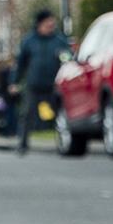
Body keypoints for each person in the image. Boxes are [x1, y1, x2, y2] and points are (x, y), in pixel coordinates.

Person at [14, 10, 70, 155]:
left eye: (52, 21)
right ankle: (23, 144)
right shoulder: (29, 41)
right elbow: (20, 64)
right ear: (40, 23)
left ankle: (63, 143)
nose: (51, 24)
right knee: (27, 114)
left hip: (54, 85)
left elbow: (68, 60)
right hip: (34, 84)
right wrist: (14, 82)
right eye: (48, 21)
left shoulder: (59, 41)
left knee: (60, 115)